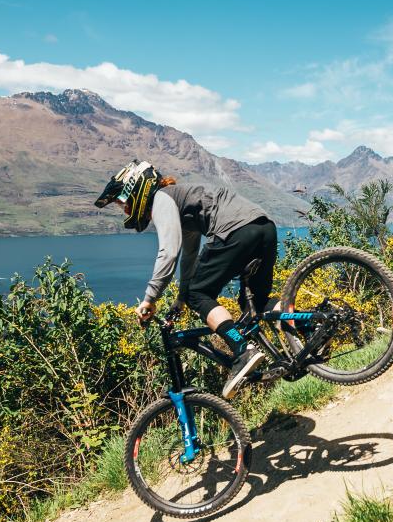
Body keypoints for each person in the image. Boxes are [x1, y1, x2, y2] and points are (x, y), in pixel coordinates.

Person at [94, 160, 278, 397]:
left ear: (137, 189)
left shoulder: (162, 199)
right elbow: (189, 255)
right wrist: (181, 298)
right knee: (255, 302)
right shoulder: (183, 201)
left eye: (124, 202)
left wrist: (150, 298)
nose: (125, 209)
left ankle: (242, 348)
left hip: (235, 230)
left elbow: (168, 252)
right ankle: (308, 330)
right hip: (264, 227)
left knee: (199, 295)